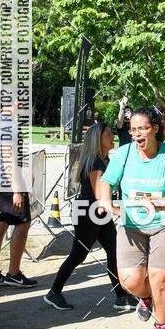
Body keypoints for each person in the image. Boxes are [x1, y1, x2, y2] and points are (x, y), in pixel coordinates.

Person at [99, 107, 165, 329]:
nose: (136, 133)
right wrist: (106, 201)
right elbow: (107, 180)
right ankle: (146, 297)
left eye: (142, 128)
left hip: (164, 224)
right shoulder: (124, 154)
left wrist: (157, 204)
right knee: (130, 281)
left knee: (160, 277)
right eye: (133, 129)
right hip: (131, 224)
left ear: (155, 129)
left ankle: (163, 325)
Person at [44, 121, 137, 311]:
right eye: (109, 135)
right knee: (78, 255)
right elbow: (100, 198)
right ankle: (54, 293)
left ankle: (121, 296)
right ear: (98, 140)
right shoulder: (95, 162)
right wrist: (126, 213)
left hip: (96, 211)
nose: (113, 137)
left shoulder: (103, 160)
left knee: (113, 251)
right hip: (88, 211)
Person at [0, 103, 37, 288]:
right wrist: (17, 189)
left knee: (0, 224)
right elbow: (9, 159)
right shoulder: (11, 126)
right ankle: (14, 273)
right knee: (23, 224)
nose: (23, 104)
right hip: (10, 183)